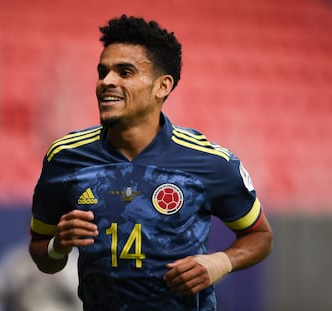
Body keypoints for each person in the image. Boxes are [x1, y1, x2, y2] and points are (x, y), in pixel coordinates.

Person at [29, 15, 273, 311]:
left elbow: (260, 236)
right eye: (103, 72)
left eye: (125, 72)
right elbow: (42, 254)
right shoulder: (65, 158)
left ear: (162, 86)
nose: (107, 82)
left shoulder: (211, 162)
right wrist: (58, 245)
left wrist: (221, 261)